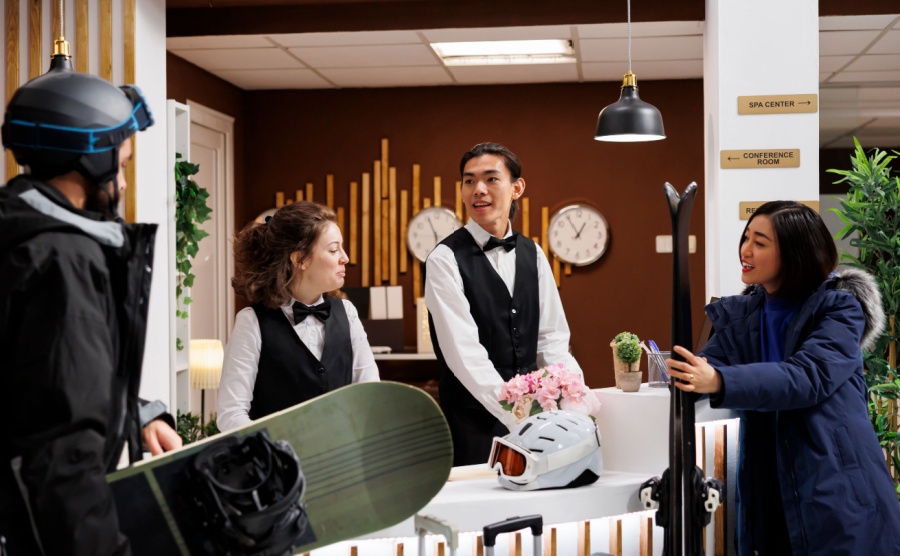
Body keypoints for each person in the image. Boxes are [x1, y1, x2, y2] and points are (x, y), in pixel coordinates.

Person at [0, 55, 182, 554]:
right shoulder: (62, 260)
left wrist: (136, 413)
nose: (123, 184)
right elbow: (65, 447)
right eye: (121, 166)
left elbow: (41, 379)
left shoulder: (21, 233)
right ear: (92, 161)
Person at [665, 201, 900, 554]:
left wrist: (718, 381)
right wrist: (681, 374)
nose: (746, 250)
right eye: (746, 238)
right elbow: (706, 366)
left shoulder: (839, 308)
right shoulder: (743, 315)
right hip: (767, 487)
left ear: (795, 252)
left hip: (833, 485)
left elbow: (808, 377)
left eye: (760, 243)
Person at [425, 142, 584, 466]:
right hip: (473, 421)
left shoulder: (533, 253)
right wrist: (517, 410)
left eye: (491, 179)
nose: (478, 190)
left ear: (517, 188)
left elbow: (551, 338)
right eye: (469, 181)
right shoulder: (444, 259)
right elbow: (464, 353)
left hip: (535, 418)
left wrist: (574, 399)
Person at [217, 201, 379, 431]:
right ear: (300, 259)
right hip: (281, 463)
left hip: (345, 461)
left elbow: (371, 395)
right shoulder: (252, 322)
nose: (345, 258)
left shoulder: (348, 313)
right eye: (333, 250)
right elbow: (230, 414)